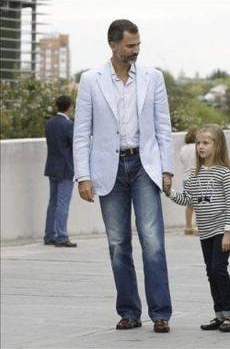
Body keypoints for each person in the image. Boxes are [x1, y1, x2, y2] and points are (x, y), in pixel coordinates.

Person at [73, 19, 173, 333]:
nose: (135, 51)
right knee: (118, 244)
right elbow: (81, 133)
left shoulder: (153, 77)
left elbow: (163, 128)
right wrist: (82, 176)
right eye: (130, 46)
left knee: (153, 242)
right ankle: (129, 311)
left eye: (138, 45)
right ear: (113, 45)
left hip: (144, 165)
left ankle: (160, 313)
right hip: (109, 168)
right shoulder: (91, 80)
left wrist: (166, 169)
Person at [165, 124, 230, 333]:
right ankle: (219, 315)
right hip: (205, 231)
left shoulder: (224, 173)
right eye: (198, 143)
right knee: (211, 272)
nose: (200, 147)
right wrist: (170, 192)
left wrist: (228, 232)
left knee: (219, 269)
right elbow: (188, 199)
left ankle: (229, 315)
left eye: (206, 143)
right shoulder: (193, 175)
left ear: (218, 145)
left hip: (222, 230)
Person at [43, 95, 77, 247]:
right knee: (63, 202)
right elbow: (75, 144)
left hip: (52, 167)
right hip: (65, 168)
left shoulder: (49, 123)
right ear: (69, 107)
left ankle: (50, 235)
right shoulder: (68, 125)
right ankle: (62, 236)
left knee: (53, 202)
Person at [179, 125, 198, 235]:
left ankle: (188, 226)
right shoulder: (198, 147)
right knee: (201, 203)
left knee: (189, 204)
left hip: (186, 178)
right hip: (197, 177)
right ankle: (202, 226)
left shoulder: (183, 149)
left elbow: (181, 160)